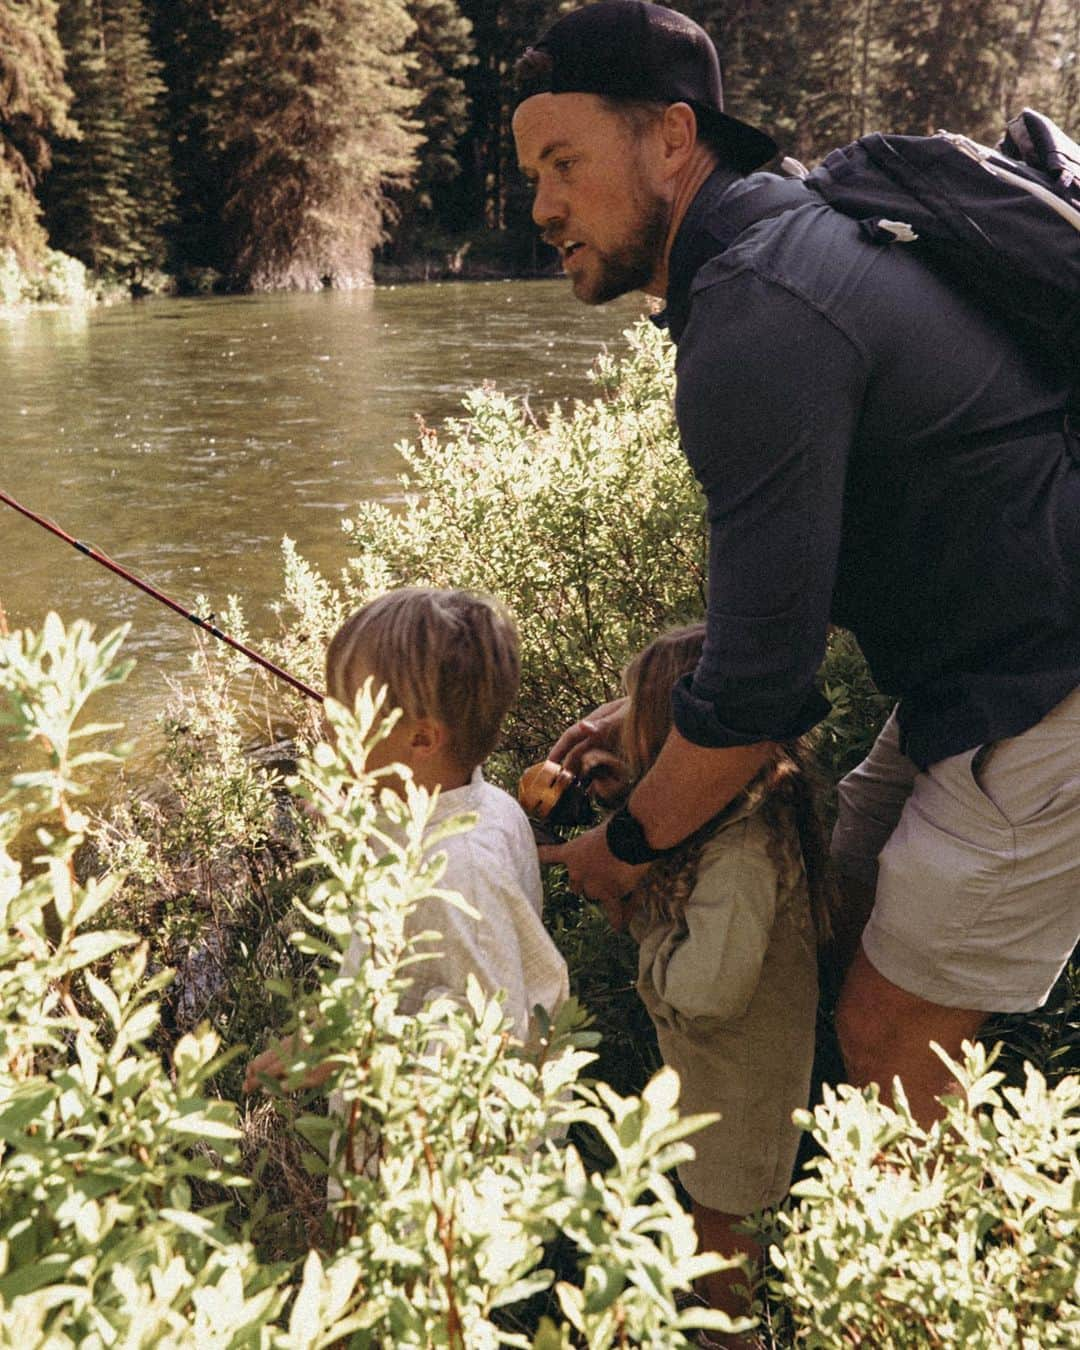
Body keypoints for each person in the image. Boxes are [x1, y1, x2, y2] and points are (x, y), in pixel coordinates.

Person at [511, 0, 1080, 1127]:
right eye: (533, 173)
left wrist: (622, 850)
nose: (543, 207)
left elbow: (763, 696)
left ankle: (939, 1297)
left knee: (888, 1029)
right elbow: (781, 605)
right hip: (980, 677)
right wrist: (639, 710)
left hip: (1051, 678)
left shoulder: (759, 310)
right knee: (839, 909)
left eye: (565, 163)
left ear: (673, 138)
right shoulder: (784, 238)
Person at [585, 624, 832, 1334]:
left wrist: (641, 921)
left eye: (636, 718)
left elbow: (705, 993)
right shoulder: (733, 818)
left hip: (742, 1107)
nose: (622, 726)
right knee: (715, 1246)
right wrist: (619, 808)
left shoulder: (744, 855)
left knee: (726, 1286)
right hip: (721, 1091)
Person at [244, 586, 569, 1094]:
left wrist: (342, 1048)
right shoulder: (485, 805)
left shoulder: (461, 869)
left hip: (441, 1151)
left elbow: (491, 1032)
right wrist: (356, 821)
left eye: (345, 713)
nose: (328, 726)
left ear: (420, 740)